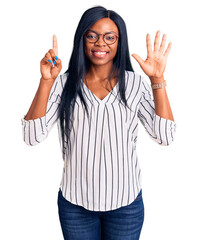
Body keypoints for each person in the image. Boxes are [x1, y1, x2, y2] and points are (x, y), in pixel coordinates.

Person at [21, 5, 176, 240]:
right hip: (75, 206)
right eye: (92, 35)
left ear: (119, 41)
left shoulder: (134, 83)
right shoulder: (65, 84)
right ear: (82, 39)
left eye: (109, 37)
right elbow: (32, 137)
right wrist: (46, 82)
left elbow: (165, 136)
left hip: (126, 206)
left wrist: (157, 79)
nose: (100, 43)